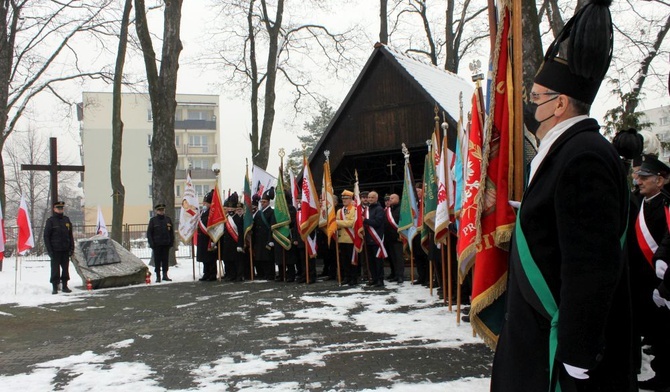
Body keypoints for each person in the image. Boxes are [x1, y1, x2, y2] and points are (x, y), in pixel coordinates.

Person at [491, 1, 635, 390]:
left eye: (536, 98)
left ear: (559, 103)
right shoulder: (569, 149)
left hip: (559, 353)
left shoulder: (583, 154)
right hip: (536, 335)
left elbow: (591, 263)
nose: (529, 106)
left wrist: (576, 351)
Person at [631, 155, 670, 390]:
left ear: (660, 180)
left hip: (660, 282)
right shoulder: (636, 202)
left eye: (645, 178)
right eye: (639, 177)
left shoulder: (666, 205)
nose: (639, 181)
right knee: (651, 330)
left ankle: (665, 375)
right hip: (639, 279)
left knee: (663, 330)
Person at [44, 201, 75, 294]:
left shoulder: (66, 220)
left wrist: (71, 248)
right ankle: (55, 286)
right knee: (55, 269)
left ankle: (65, 286)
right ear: (54, 209)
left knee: (65, 269)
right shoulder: (50, 221)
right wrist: (49, 250)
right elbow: (46, 236)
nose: (60, 210)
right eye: (58, 208)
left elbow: (70, 235)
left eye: (61, 208)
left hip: (65, 249)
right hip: (55, 250)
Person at [363, 191, 386, 288]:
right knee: (371, 261)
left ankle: (380, 280)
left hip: (376, 239)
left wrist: (365, 220)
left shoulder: (379, 209)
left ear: (376, 198)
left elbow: (377, 222)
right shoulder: (367, 209)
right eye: (369, 197)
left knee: (378, 261)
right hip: (368, 239)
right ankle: (374, 279)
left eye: (372, 197)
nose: (370, 199)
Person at [147, 203, 174, 283]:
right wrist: (151, 243)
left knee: (165, 260)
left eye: (162, 210)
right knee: (157, 260)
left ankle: (165, 275)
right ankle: (158, 276)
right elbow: (149, 233)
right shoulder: (153, 220)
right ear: (156, 211)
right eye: (159, 210)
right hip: (157, 244)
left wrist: (171, 242)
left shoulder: (168, 219)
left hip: (166, 243)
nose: (161, 212)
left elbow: (171, 232)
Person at [252, 187, 275, 280]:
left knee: (268, 258)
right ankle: (262, 274)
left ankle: (270, 274)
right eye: (261, 202)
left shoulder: (271, 212)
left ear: (268, 202)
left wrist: (271, 240)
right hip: (259, 239)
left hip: (267, 239)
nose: (262, 203)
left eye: (264, 202)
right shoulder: (259, 213)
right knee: (260, 258)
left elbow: (272, 227)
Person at [336, 190, 358, 285]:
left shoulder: (354, 209)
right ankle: (347, 277)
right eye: (343, 198)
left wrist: (338, 222)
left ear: (351, 199)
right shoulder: (339, 211)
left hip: (351, 239)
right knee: (344, 261)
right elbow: (336, 225)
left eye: (346, 198)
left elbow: (351, 223)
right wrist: (338, 223)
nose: (344, 200)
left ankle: (354, 278)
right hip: (341, 239)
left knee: (352, 260)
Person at [222, 193, 244, 282]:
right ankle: (231, 275)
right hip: (227, 243)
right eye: (229, 208)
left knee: (237, 261)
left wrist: (240, 244)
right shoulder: (226, 219)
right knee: (229, 260)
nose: (230, 209)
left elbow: (241, 233)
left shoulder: (238, 219)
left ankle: (239, 275)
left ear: (235, 209)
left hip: (235, 243)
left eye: (232, 208)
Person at [197, 191, 218, 281]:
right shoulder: (202, 212)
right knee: (204, 258)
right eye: (203, 202)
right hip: (202, 238)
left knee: (210, 258)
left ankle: (212, 274)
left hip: (209, 238)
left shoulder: (212, 212)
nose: (204, 204)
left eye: (206, 203)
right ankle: (206, 273)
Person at [384, 193, 404, 284]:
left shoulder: (401, 209)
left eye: (392, 198)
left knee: (398, 257)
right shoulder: (388, 210)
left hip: (397, 237)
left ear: (398, 199)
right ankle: (395, 274)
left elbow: (402, 222)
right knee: (392, 257)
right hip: (389, 238)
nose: (390, 199)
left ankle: (400, 276)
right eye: (389, 198)